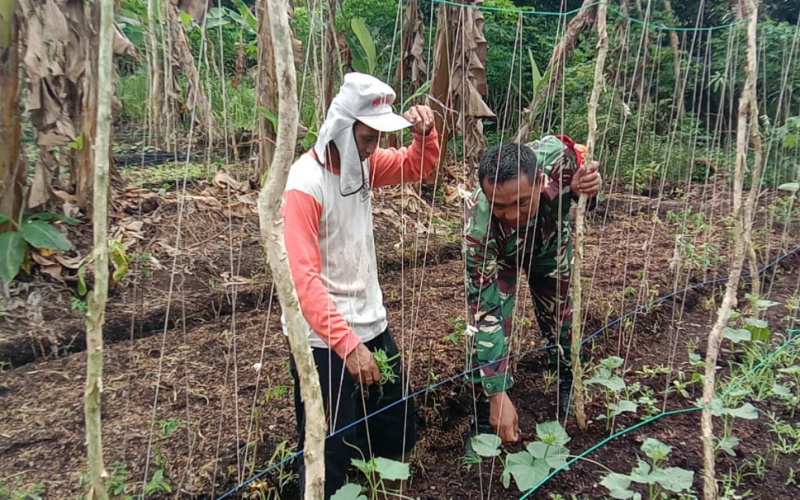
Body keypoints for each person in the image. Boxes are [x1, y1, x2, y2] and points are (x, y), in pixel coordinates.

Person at [281, 72, 439, 498]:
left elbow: (417, 165)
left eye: (377, 139)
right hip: (322, 338)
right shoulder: (306, 183)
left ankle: (382, 490)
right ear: (341, 129)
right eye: (368, 138)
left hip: (370, 320)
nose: (373, 148)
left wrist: (425, 134)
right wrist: (347, 345)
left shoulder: (363, 165)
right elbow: (302, 279)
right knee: (329, 448)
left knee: (397, 427)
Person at [463, 136, 601, 448]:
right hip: (501, 257)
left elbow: (589, 192)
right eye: (499, 206)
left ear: (540, 182)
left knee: (561, 316)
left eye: (521, 202)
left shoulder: (562, 161)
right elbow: (485, 311)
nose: (511, 215)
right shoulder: (478, 228)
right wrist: (497, 392)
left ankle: (567, 375)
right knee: (486, 332)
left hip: (549, 243)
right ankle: (483, 416)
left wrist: (588, 189)